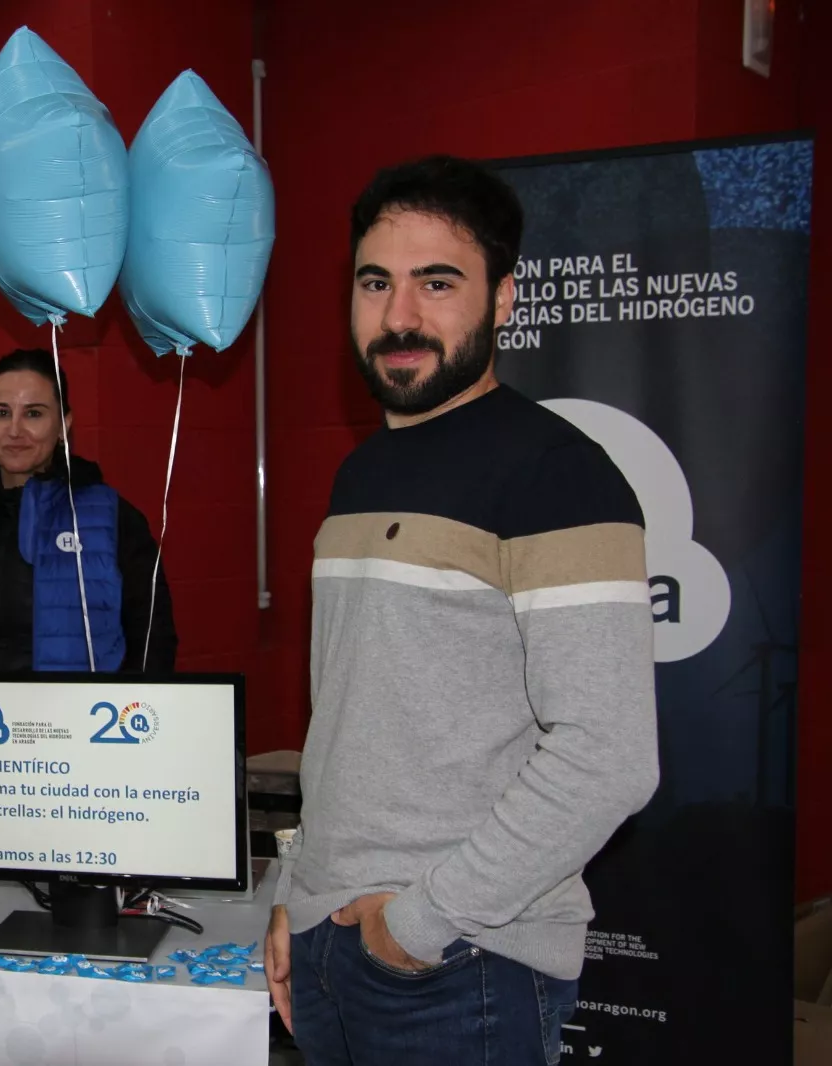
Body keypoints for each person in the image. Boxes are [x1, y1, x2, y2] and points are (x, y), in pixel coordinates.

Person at [264, 156, 659, 1065]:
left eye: (436, 283)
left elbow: (609, 757)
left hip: (459, 965)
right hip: (334, 941)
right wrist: (298, 891)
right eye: (376, 282)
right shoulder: (360, 474)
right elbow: (345, 727)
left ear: (506, 298)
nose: (399, 316)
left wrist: (416, 926)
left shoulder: (559, 473)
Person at [0, 348, 177, 677]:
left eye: (33, 414)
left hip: (78, 725)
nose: (15, 430)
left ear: (63, 426)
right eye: (1, 413)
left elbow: (153, 642)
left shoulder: (111, 518)